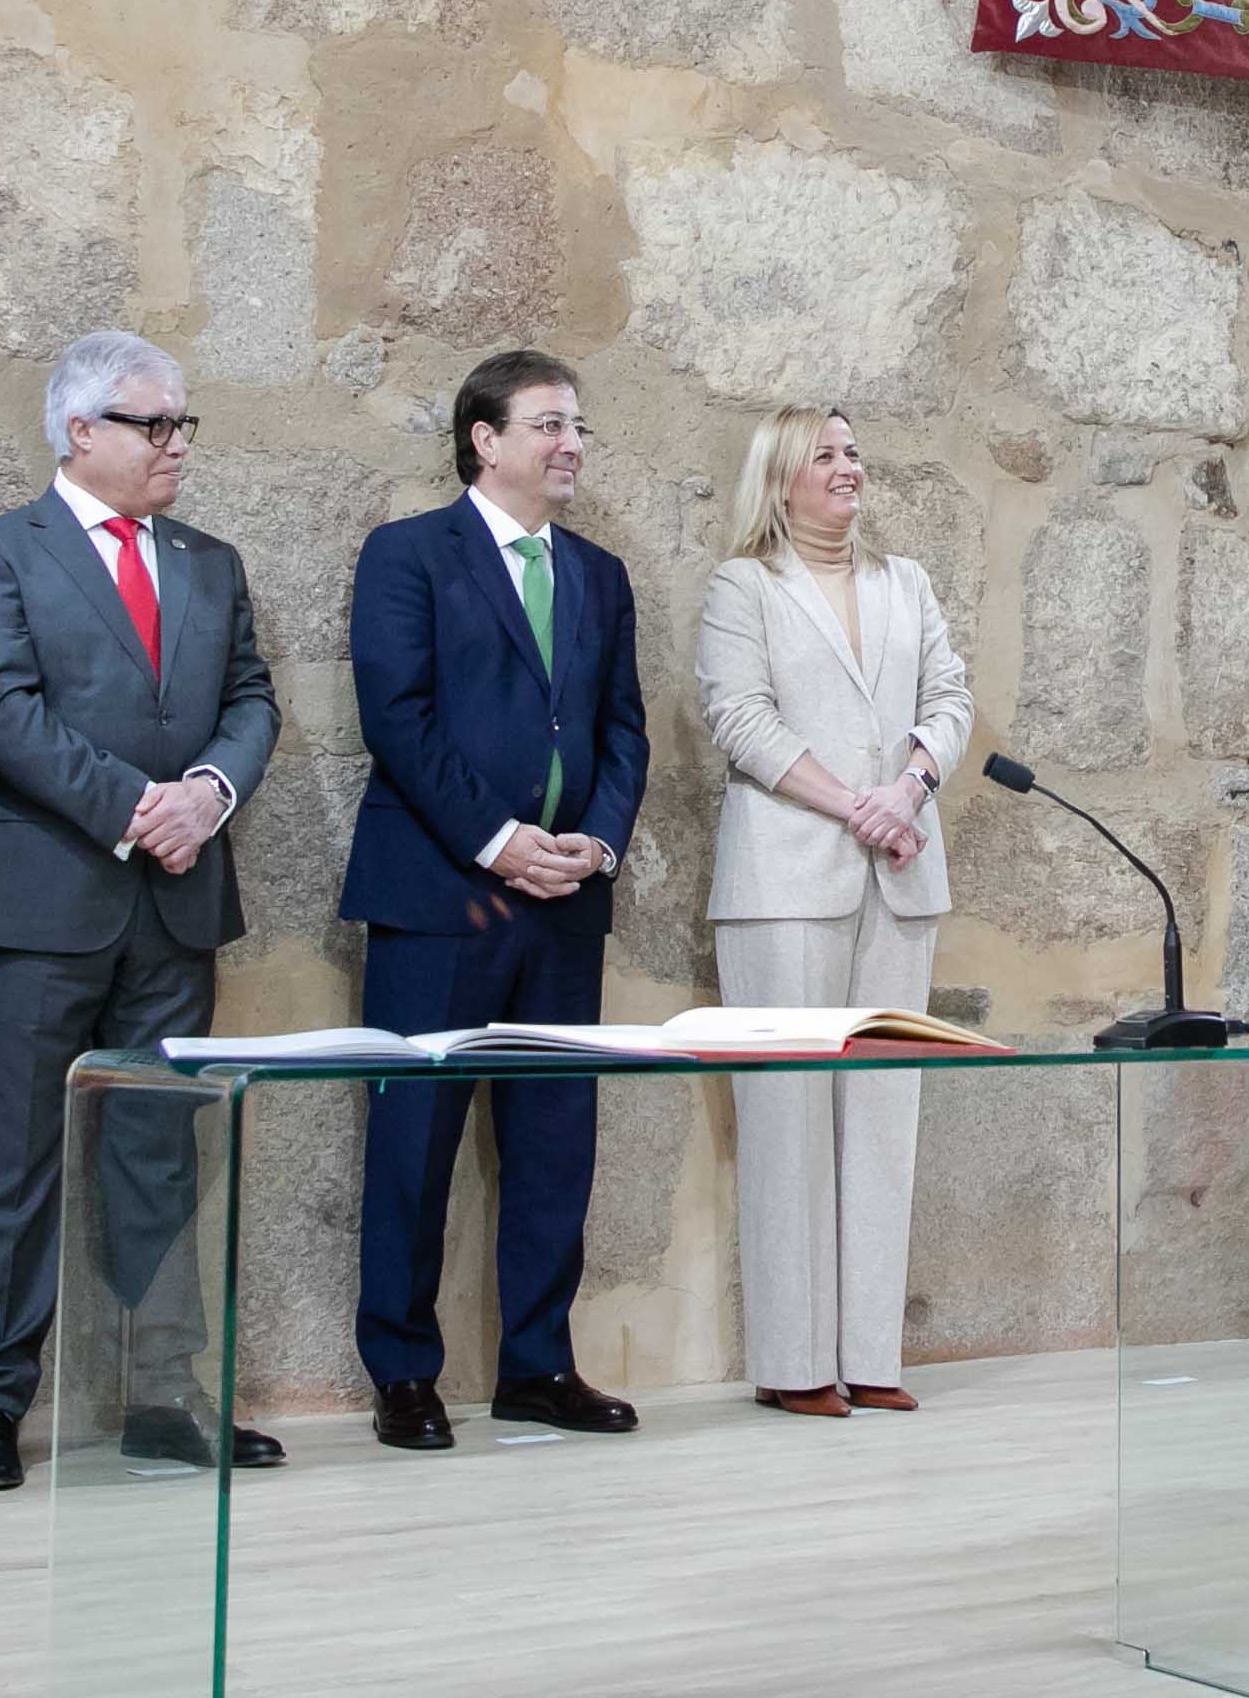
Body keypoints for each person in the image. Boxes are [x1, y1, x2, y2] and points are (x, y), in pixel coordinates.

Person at [0, 332, 287, 1495]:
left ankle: (163, 1396)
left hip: (175, 910)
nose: (175, 444)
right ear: (79, 430)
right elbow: (1, 710)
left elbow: (248, 698)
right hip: (41, 903)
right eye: (153, 424)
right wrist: (141, 808)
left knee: (160, 1158)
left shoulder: (208, 560)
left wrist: (210, 795)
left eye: (182, 423)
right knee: (11, 1163)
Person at [342, 348, 651, 1450]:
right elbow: (399, 717)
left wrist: (597, 841)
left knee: (555, 1139)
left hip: (566, 902)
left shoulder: (600, 574)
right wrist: (498, 840)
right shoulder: (407, 554)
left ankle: (536, 1362)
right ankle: (403, 1371)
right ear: (483, 436)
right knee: (413, 1141)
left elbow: (621, 727)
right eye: (548, 424)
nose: (570, 443)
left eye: (577, 426)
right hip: (440, 896)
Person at [694, 406, 971, 1418]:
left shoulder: (906, 583)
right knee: (786, 1117)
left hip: (897, 869)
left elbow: (948, 693)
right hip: (783, 880)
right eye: (825, 453)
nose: (848, 467)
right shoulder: (744, 586)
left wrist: (908, 786)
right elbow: (738, 716)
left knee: (882, 1112)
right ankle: (795, 1358)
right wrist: (850, 800)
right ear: (779, 477)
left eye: (853, 451)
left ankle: (870, 1351)